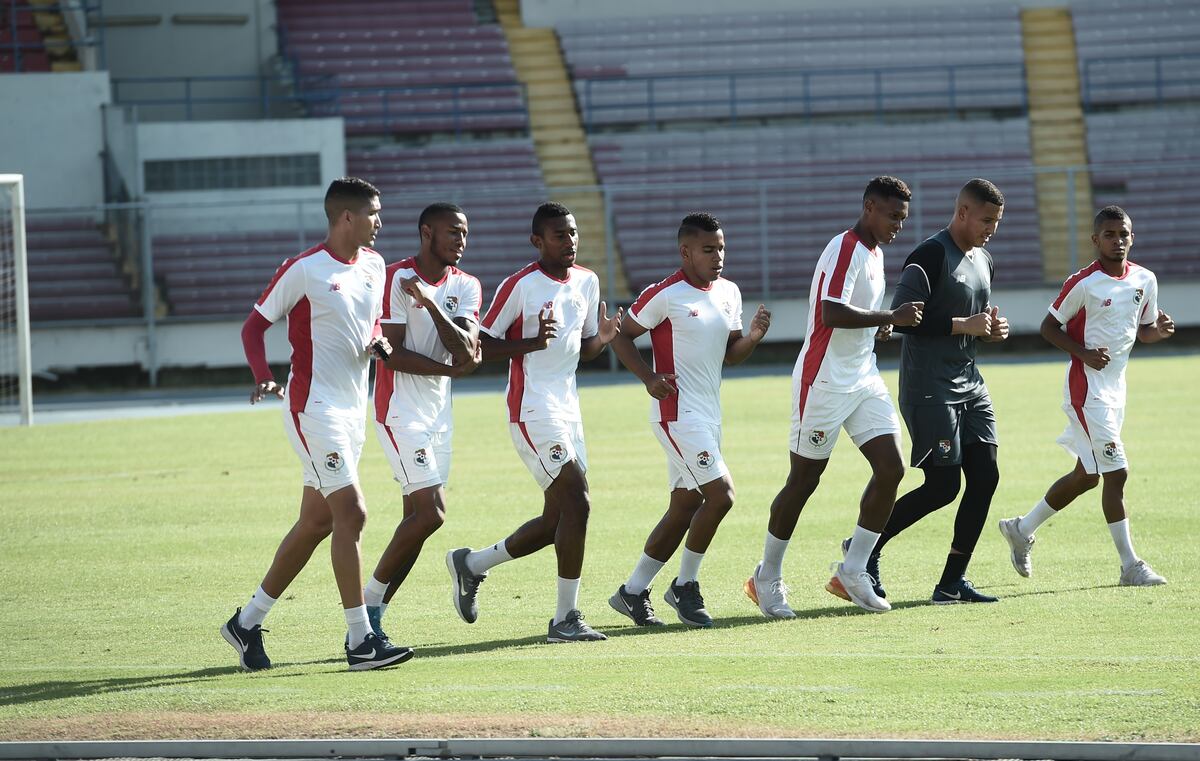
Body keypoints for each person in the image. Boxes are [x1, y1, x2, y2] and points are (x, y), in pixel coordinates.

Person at [221, 177, 412, 671]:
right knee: (353, 513)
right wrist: (264, 377)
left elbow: (369, 321)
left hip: (352, 412)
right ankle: (360, 641)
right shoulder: (303, 269)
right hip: (312, 409)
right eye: (373, 213)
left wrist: (378, 342)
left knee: (317, 522)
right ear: (346, 217)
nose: (380, 222)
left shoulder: (373, 265)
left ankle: (246, 622)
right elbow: (254, 325)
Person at [743, 177, 922, 618]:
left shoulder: (875, 254)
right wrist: (890, 315)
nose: (898, 224)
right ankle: (766, 577)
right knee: (803, 481)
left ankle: (853, 569)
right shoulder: (845, 247)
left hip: (862, 378)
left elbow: (854, 315)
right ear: (869, 207)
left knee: (892, 467)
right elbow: (831, 311)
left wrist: (879, 326)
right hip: (821, 381)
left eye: (903, 218)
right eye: (892, 215)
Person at [445, 202, 621, 643]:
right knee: (578, 502)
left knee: (557, 519)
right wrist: (529, 342)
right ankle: (566, 618)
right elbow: (479, 348)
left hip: (568, 408)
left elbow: (583, 347)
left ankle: (471, 564)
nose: (570, 241)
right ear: (537, 241)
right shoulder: (520, 286)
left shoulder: (587, 281)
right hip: (531, 409)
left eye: (574, 233)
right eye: (560, 235)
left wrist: (601, 339)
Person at [607, 212, 771, 628]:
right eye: (708, 249)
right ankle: (685, 586)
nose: (718, 257)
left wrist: (751, 337)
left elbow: (730, 354)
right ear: (685, 252)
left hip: (709, 415)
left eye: (721, 249)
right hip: (676, 414)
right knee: (722, 496)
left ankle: (631, 592)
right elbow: (621, 335)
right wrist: (648, 378)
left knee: (685, 505)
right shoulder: (665, 294)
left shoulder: (729, 292)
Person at [998, 206, 1173, 586]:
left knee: (1088, 476)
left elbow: (1143, 330)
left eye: (1123, 234)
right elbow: (1048, 327)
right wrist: (1084, 353)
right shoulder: (1084, 283)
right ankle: (1130, 566)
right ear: (1096, 241)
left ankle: (1020, 528)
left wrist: (1155, 334)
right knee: (1117, 472)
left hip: (1116, 390)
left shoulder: (1145, 279)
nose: (1118, 241)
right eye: (1109, 235)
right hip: (1086, 391)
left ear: (1132, 236)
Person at [862, 178, 1010, 605]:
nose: (991, 230)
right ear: (962, 212)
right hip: (930, 388)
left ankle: (951, 583)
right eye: (986, 220)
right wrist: (964, 326)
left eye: (997, 222)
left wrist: (990, 329)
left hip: (970, 385)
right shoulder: (929, 255)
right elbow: (903, 318)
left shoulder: (984, 259)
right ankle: (863, 549)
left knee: (985, 476)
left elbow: (974, 319)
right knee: (943, 486)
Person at [364, 203, 483, 649]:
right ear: (426, 233)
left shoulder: (466, 285)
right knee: (432, 512)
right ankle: (365, 606)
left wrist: (431, 304)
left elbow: (465, 350)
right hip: (399, 412)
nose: (461, 241)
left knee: (415, 523)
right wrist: (451, 369)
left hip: (439, 417)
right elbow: (390, 353)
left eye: (465, 233)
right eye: (453, 232)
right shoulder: (395, 278)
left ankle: (374, 621)